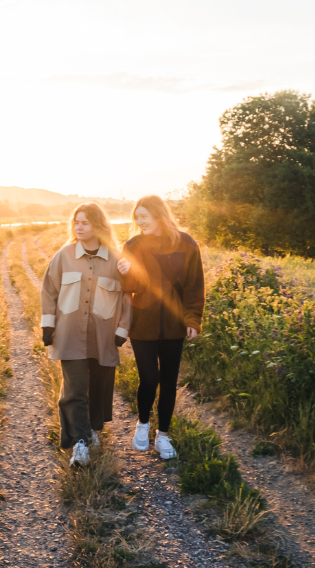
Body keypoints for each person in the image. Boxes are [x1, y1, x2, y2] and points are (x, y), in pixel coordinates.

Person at [41, 202, 131, 466]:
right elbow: (49, 290)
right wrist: (48, 325)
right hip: (69, 334)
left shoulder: (116, 259)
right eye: (76, 223)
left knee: (99, 388)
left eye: (85, 223)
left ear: (98, 226)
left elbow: (128, 297)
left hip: (103, 337)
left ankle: (92, 430)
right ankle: (79, 443)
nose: (78, 228)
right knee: (74, 389)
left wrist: (122, 329)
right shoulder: (64, 255)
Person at [117, 195, 205, 459]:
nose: (140, 222)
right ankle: (143, 424)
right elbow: (131, 288)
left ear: (159, 215)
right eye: (137, 217)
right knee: (149, 378)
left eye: (145, 216)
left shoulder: (186, 244)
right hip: (142, 323)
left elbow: (194, 285)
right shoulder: (132, 245)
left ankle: (163, 436)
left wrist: (193, 320)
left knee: (168, 381)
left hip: (174, 323)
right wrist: (125, 272)